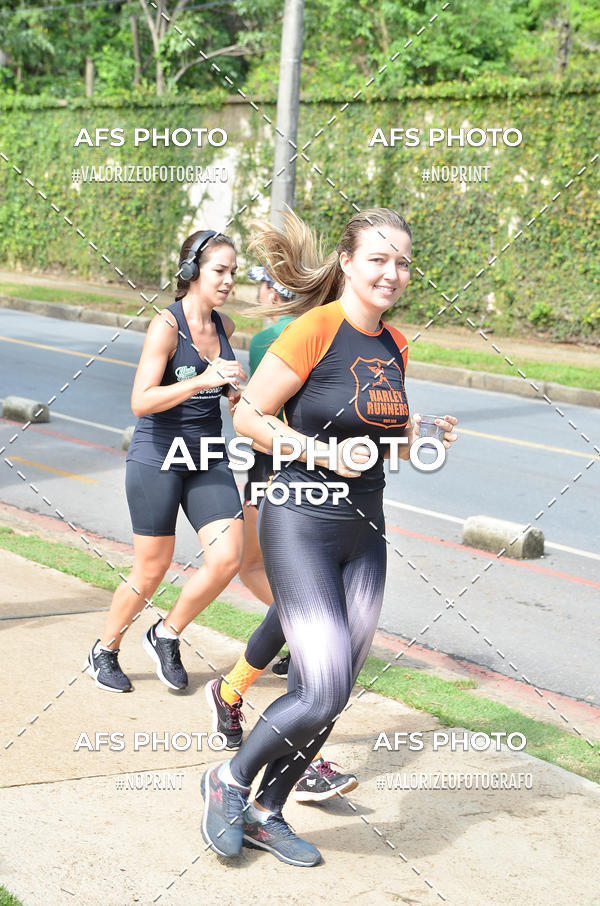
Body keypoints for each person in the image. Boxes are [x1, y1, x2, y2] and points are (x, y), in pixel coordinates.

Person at [201, 207, 458, 866]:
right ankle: (227, 782)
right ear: (347, 262)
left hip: (363, 531)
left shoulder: (394, 344)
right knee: (317, 687)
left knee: (337, 689)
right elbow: (251, 418)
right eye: (378, 258)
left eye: (400, 261)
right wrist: (316, 453)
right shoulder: (315, 328)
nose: (391, 272)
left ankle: (267, 810)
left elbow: (381, 436)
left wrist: (420, 433)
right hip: (300, 519)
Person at [205, 264, 358, 803]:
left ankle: (231, 690)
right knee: (304, 617)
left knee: (297, 612)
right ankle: (305, 760)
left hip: (335, 488)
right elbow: (261, 415)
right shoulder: (287, 335)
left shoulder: (358, 339)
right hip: (284, 479)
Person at [84, 230, 247, 692]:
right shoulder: (166, 326)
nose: (229, 279)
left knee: (227, 557)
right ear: (191, 272)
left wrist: (237, 392)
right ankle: (105, 650)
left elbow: (228, 394)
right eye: (220, 270)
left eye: (233, 271)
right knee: (153, 567)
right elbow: (141, 400)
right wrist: (202, 380)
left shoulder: (225, 328)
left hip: (208, 456)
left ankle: (166, 633)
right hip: (158, 455)